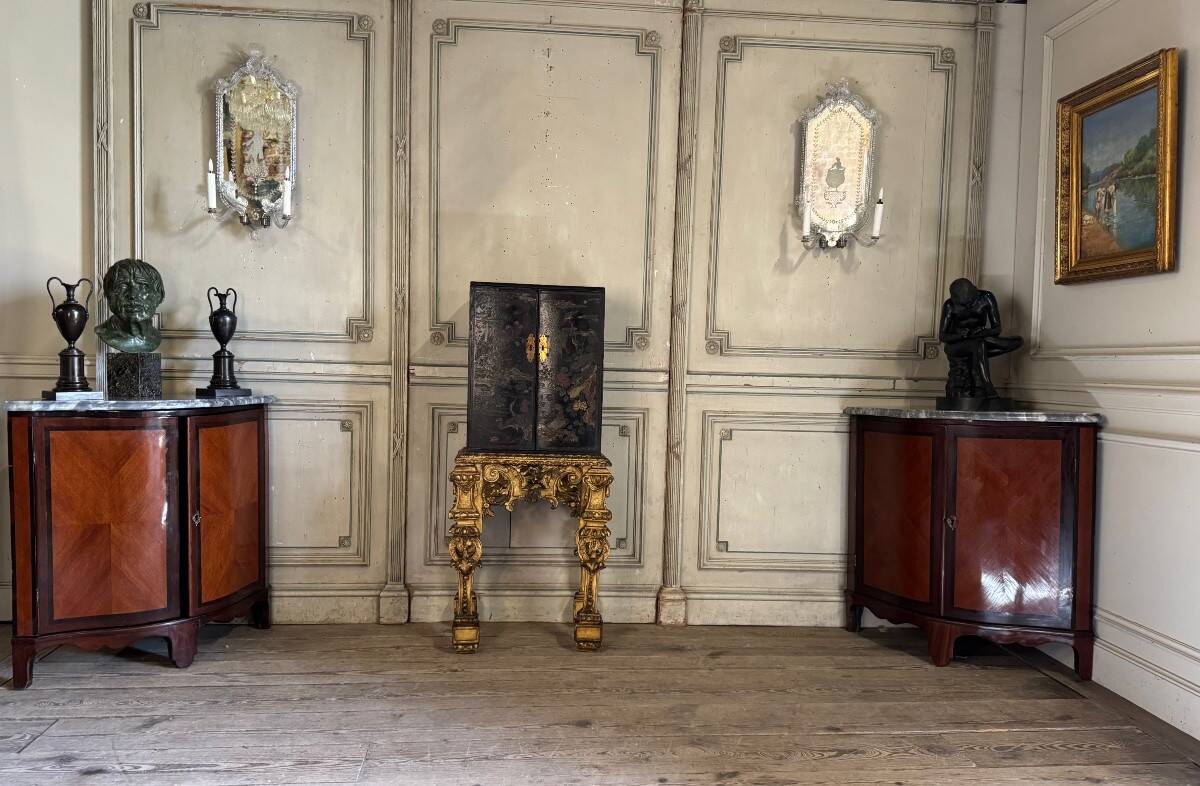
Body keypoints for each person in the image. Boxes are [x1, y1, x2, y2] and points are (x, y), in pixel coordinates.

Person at [938, 278, 1022, 405]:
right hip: (957, 345)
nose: (967, 306)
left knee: (1017, 341)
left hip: (981, 338)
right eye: (963, 303)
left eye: (970, 301)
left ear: (974, 292)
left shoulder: (986, 297)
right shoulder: (950, 305)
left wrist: (983, 332)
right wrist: (960, 335)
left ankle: (979, 355)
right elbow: (943, 336)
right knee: (979, 345)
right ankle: (988, 387)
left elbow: (997, 328)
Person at [94, 258, 165, 353]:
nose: (132, 295)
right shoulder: (103, 332)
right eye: (122, 286)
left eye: (142, 286)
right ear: (108, 294)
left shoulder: (155, 337)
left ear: (159, 296)